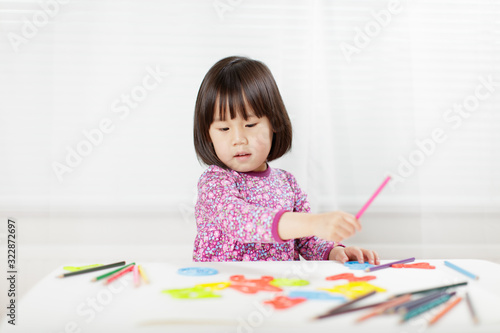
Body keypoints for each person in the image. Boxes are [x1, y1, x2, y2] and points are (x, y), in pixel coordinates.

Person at [192, 56, 379, 264]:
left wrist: (335, 252)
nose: (238, 139)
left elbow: (306, 240)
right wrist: (314, 222)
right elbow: (241, 220)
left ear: (273, 123)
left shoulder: (286, 183)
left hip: (278, 289)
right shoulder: (214, 183)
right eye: (224, 129)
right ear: (208, 135)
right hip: (224, 289)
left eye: (251, 124)